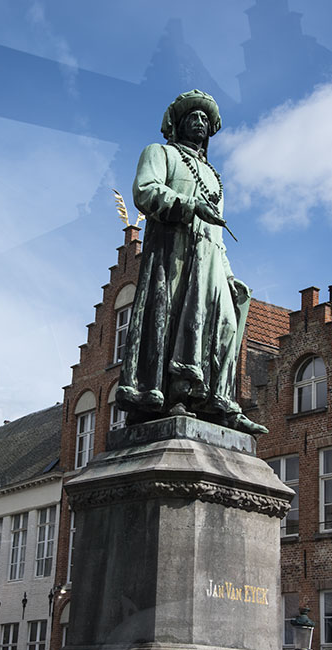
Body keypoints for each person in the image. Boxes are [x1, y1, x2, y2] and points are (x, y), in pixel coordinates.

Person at [116, 90, 268, 435]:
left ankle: (219, 402)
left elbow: (217, 235)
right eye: (192, 117)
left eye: (204, 118)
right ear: (179, 123)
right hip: (176, 259)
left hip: (211, 261)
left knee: (227, 325)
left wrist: (229, 275)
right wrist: (188, 205)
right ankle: (177, 393)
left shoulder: (214, 176)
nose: (199, 123)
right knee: (181, 322)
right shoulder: (161, 154)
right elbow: (145, 190)